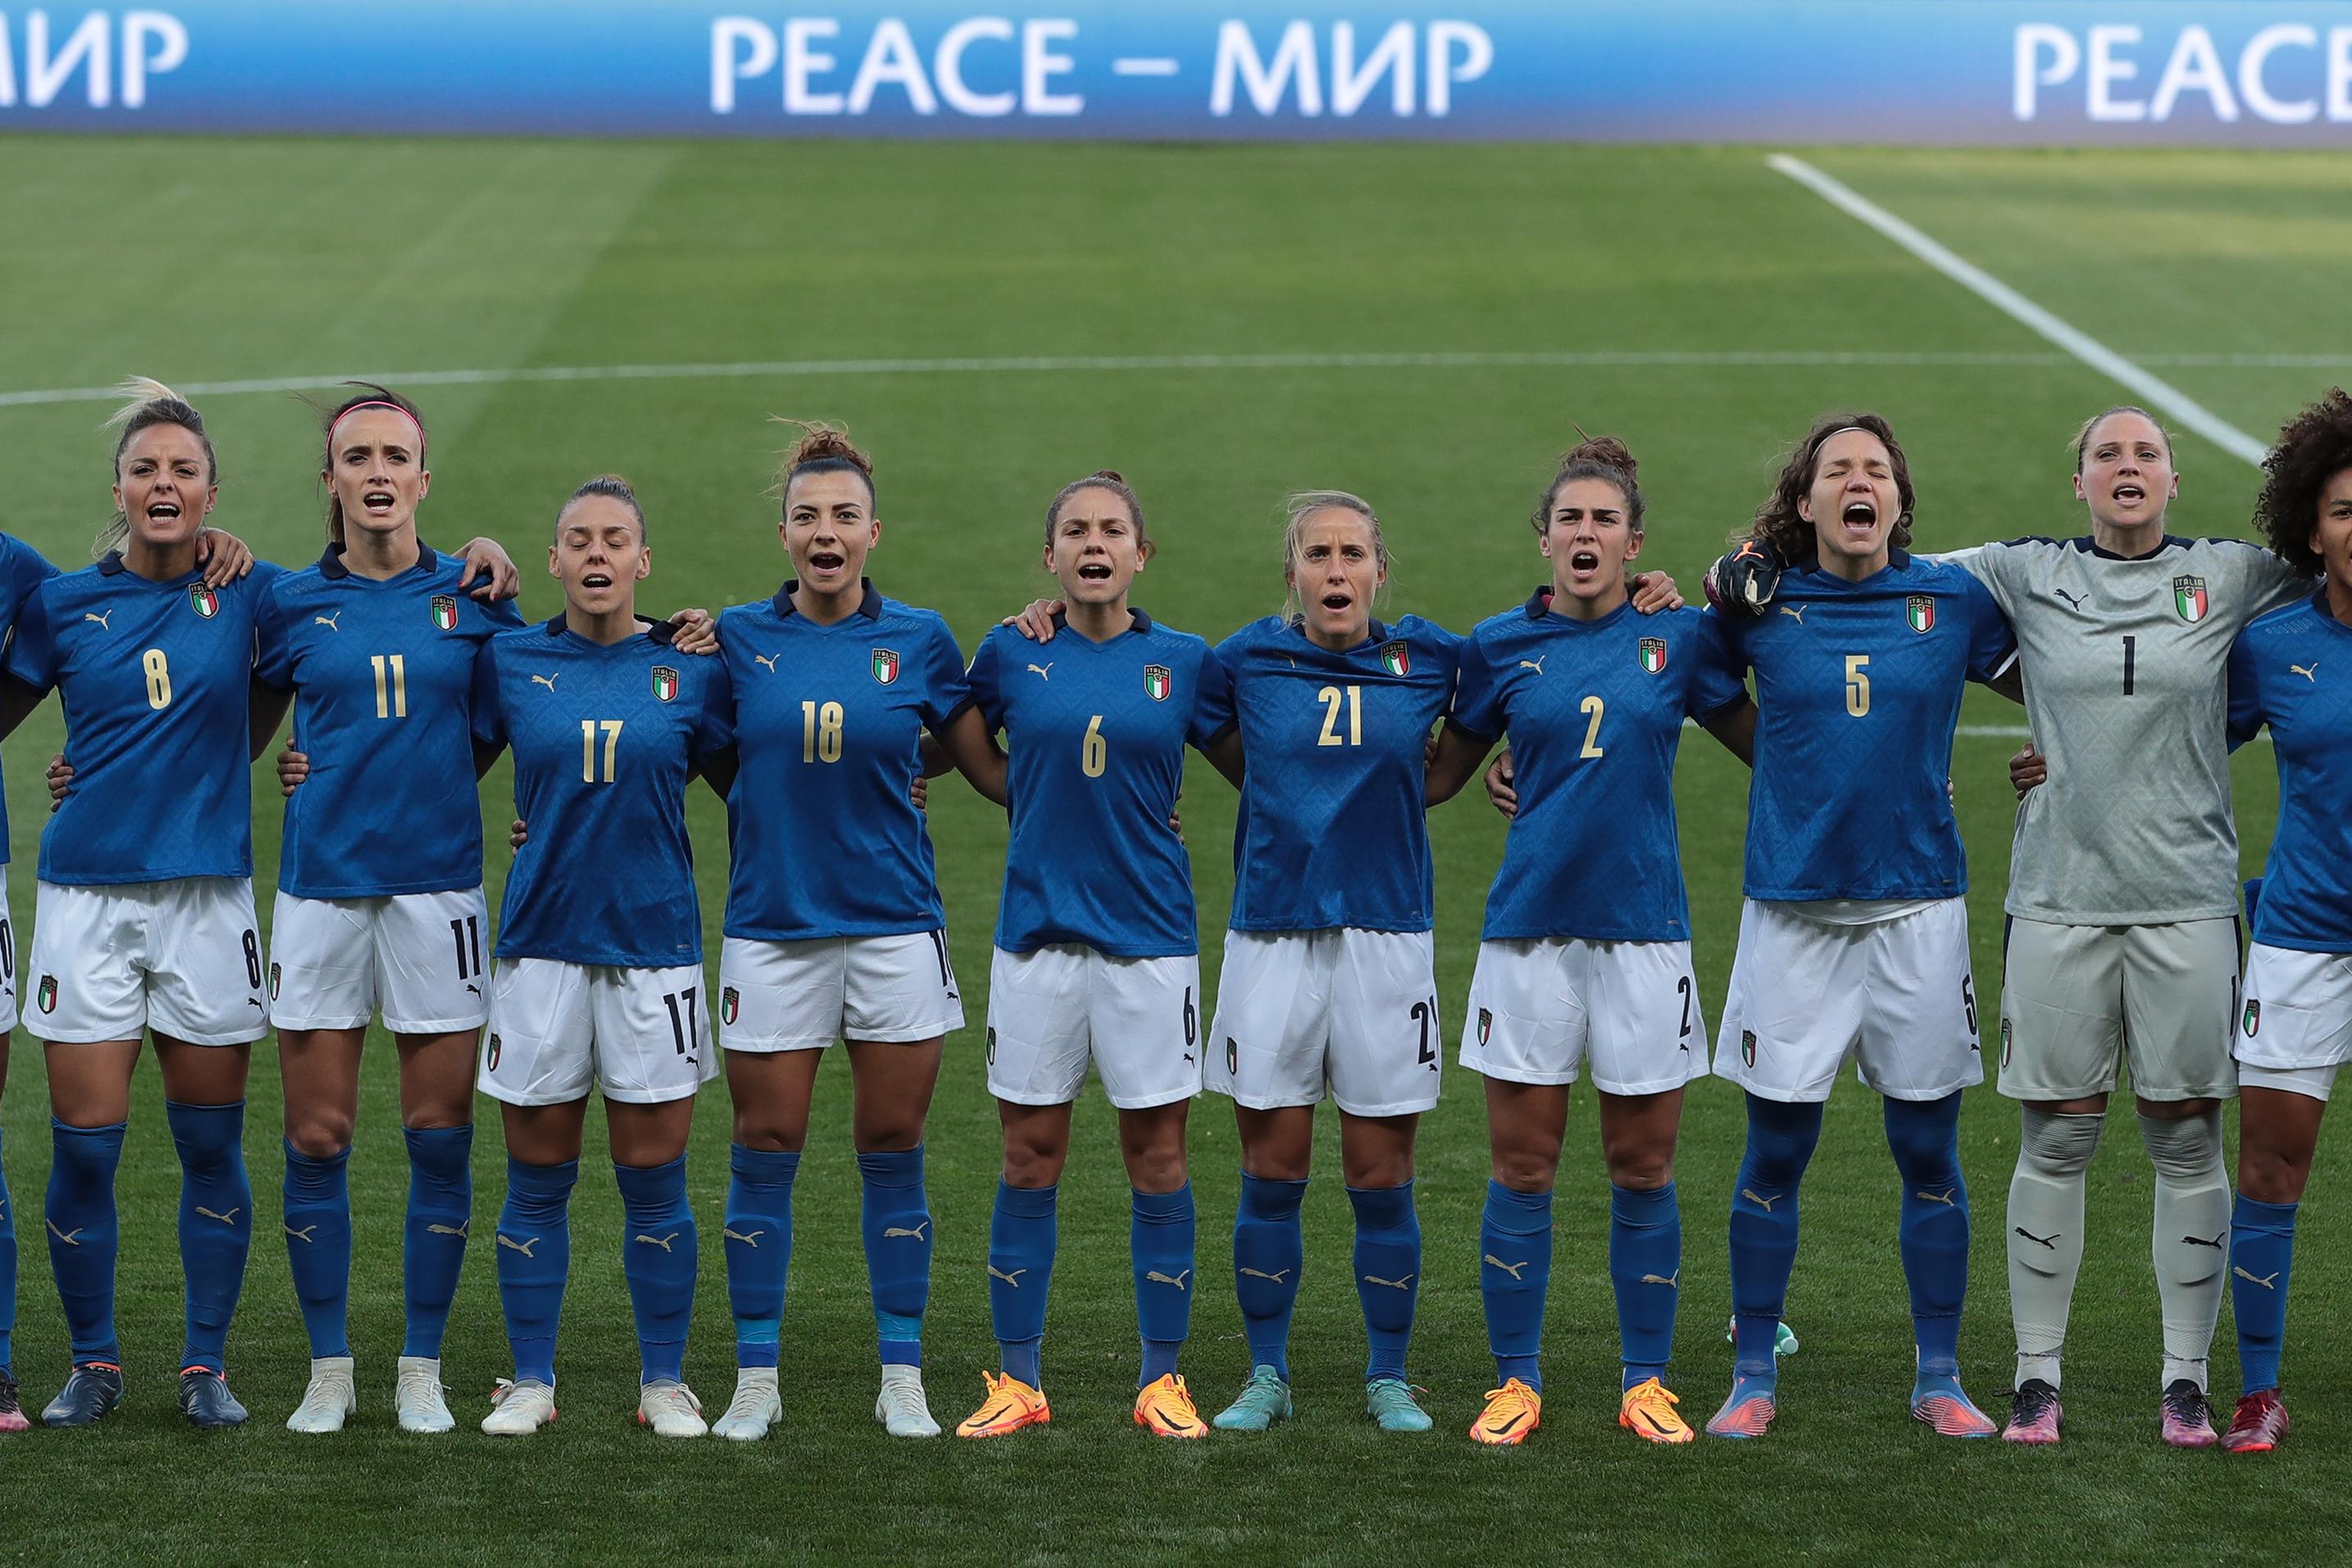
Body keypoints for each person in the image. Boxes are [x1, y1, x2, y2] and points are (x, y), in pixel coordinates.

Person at [1814, 407, 2318, 1445]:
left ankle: (2184, 1380)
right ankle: (2036, 1380)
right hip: (2056, 898)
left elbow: (2332, 581)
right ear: (2077, 483)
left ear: (2173, 479)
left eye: (2145, 454)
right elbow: (1872, 552)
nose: (2125, 467)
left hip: (2186, 898)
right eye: (2105, 455)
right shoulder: (2017, 570)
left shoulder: (2232, 575)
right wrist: (1752, 560)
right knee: (2056, 1135)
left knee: (2185, 1140)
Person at [1695, 413, 2018, 1439]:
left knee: (1928, 1146)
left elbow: (2059, 677)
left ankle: (1937, 1374)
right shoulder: (1757, 603)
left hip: (1918, 906)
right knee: (1776, 1147)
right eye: (1836, 469)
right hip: (1792, 913)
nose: (1856, 481)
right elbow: (1676, 679)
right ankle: (1752, 1372)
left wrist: (2055, 748)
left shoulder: (1952, 599)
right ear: (1804, 502)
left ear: (1897, 500)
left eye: (1874, 468)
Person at [1426, 438, 1749, 1445]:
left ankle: (1644, 1380)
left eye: (1604, 520)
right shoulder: (1496, 646)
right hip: (1528, 936)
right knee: (1522, 1167)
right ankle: (1515, 1380)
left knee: (1642, 1167)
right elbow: (1435, 771)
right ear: (1544, 535)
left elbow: (1772, 741)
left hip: (1646, 934)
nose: (1585, 533)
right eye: (1570, 518)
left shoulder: (1679, 637)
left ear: (1633, 541)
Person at [0, 380, 279, 1428]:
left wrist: (486, 554)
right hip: (85, 900)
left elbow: (347, 629)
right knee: (84, 1145)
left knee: (211, 1143)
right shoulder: (62, 602)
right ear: (117, 488)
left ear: (212, 491)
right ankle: (94, 1365)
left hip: (209, 902)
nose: (164, 484)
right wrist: (80, 771)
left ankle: (204, 1367)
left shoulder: (254, 591)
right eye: (146, 469)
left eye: (184, 471)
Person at [702, 425, 977, 1442]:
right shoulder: (731, 638)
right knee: (764, 1144)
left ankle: (900, 1373)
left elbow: (976, 746)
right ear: (784, 533)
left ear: (873, 532)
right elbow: (674, 733)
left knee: (893, 1143)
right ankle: (755, 1376)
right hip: (773, 926)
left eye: (845, 516)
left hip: (896, 925)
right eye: (809, 516)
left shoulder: (922, 637)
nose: (827, 532)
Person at [949, 470, 1231, 1441]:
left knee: (1157, 1156)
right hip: (1036, 942)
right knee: (1028, 1157)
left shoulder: (1186, 661)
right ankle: (1017, 1379)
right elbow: (957, 739)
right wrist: (1020, 795)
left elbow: (1255, 759)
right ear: (1051, 557)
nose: (1093, 542)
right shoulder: (1011, 651)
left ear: (1140, 554)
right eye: (1075, 529)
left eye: (1112, 529)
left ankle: (1162, 1378)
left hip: (1151, 944)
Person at [469, 475, 732, 1438]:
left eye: (615, 539)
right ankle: (530, 1379)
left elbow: (768, 779)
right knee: (536, 1175)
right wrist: (305, 766)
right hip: (540, 948)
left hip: (656, 949)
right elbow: (436, 760)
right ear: (552, 560)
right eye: (577, 538)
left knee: (654, 1176)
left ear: (643, 561)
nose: (596, 554)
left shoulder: (694, 667)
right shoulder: (510, 659)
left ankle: (663, 1380)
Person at [1198, 491, 1463, 1437]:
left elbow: (1524, 696)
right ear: (1292, 575)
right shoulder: (1240, 660)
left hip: (1387, 938)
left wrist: (1495, 771)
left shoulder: (1428, 658)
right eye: (1318, 554)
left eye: (1353, 553)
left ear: (1379, 570)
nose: (1336, 570)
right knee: (1271, 1168)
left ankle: (1387, 1375)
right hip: (1270, 933)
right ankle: (1265, 1372)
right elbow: (1150, 714)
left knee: (1379, 1168)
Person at [2190, 390, 2350, 1452]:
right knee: (2270, 1167)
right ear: (2309, 530)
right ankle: (2256, 1390)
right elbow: (2183, 757)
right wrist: (2059, 766)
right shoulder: (2273, 643)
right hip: (2302, 935)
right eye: (2345, 508)